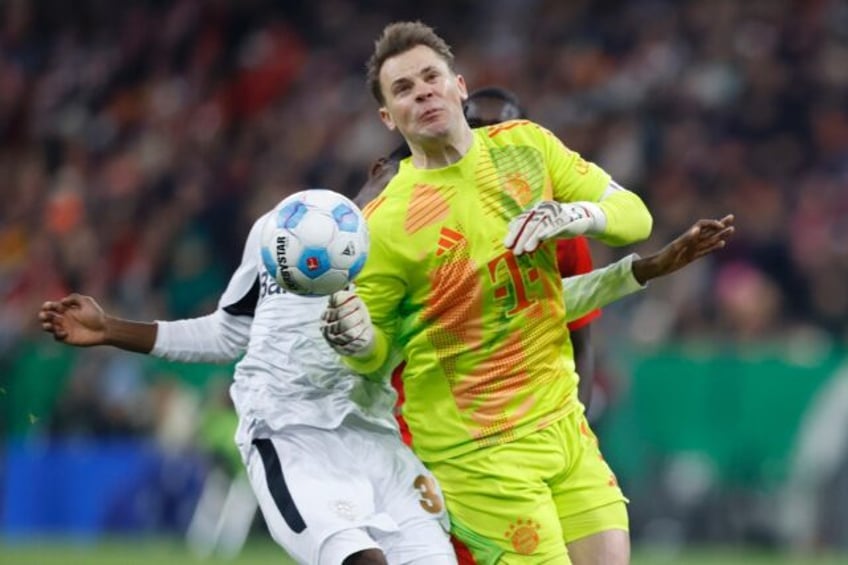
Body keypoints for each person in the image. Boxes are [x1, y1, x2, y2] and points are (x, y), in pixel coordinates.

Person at [322, 20, 655, 564]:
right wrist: (358, 343)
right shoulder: (381, 224)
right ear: (388, 117)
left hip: (562, 427)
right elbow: (376, 360)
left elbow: (635, 217)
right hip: (478, 453)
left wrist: (574, 215)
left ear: (459, 86)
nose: (423, 91)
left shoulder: (528, 146)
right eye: (403, 88)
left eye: (432, 77)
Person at [38, 198, 458, 565]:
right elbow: (228, 332)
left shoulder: (423, 248)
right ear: (380, 167)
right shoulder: (279, 230)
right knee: (361, 559)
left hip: (377, 438)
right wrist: (111, 329)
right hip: (290, 436)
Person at [464, 86, 601, 412]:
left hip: (527, 413)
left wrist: (580, 421)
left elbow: (579, 340)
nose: (487, 140)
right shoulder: (420, 214)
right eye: (475, 128)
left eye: (501, 130)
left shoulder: (559, 231)